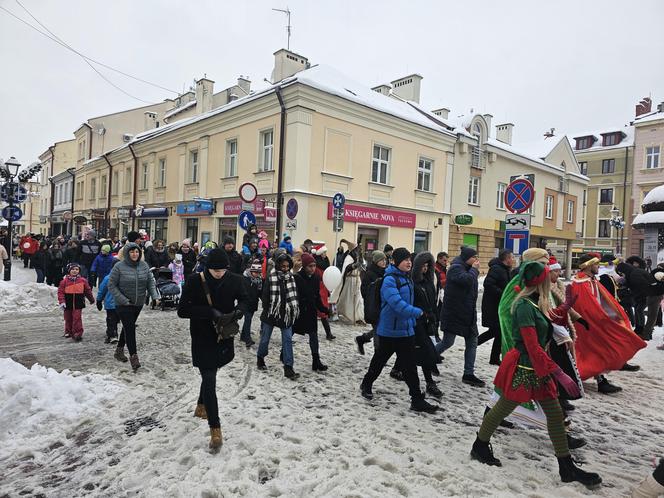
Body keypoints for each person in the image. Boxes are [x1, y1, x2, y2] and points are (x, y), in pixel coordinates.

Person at [470, 261, 603, 489]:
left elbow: (548, 319)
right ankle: (480, 446)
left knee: (554, 413)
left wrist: (567, 306)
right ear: (539, 281)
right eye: (547, 275)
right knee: (503, 408)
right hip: (525, 367)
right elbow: (533, 347)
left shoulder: (534, 302)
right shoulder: (523, 306)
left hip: (538, 367)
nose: (553, 278)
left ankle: (566, 466)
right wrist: (559, 372)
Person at [178, 248, 248, 450]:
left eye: (222, 270)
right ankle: (215, 428)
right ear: (208, 267)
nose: (218, 273)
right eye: (215, 270)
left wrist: (237, 312)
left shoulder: (234, 279)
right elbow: (182, 310)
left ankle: (201, 406)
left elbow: (245, 298)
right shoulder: (194, 280)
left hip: (223, 335)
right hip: (201, 335)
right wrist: (209, 312)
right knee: (209, 377)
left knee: (212, 372)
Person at [360, 247, 439, 413]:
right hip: (389, 332)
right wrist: (418, 313)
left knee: (410, 367)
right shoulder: (389, 280)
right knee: (379, 362)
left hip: (406, 331)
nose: (409, 262)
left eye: (410, 259)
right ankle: (366, 384)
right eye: (405, 259)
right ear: (395, 262)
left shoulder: (408, 279)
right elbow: (397, 305)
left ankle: (416, 399)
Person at [569, 254, 646, 393]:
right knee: (594, 352)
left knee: (598, 351)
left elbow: (601, 300)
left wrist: (613, 314)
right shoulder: (581, 283)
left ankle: (598, 379)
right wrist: (599, 320)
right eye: (596, 264)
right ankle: (596, 380)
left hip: (596, 322)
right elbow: (585, 307)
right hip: (588, 324)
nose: (599, 266)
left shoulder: (591, 280)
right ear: (588, 265)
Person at [108, 243, 160, 371]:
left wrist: (155, 296)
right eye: (132, 252)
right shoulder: (119, 267)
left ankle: (119, 351)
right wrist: (123, 300)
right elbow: (111, 285)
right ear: (126, 253)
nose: (134, 254)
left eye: (137, 252)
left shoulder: (144, 266)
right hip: (123, 304)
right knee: (130, 328)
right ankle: (134, 357)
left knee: (127, 326)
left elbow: (150, 282)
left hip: (138, 303)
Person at [437, 246, 484, 387]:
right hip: (454, 313)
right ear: (467, 257)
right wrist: (475, 270)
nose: (476, 260)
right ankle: (425, 357)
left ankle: (468, 373)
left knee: (472, 342)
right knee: (447, 342)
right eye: (474, 257)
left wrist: (473, 271)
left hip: (468, 313)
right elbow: (466, 281)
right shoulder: (456, 268)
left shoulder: (467, 268)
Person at [257, 252, 301, 379]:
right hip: (271, 313)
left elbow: (295, 295)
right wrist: (269, 310)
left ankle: (288, 367)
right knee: (265, 339)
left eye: (287, 266)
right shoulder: (271, 278)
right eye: (283, 266)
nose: (285, 268)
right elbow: (265, 296)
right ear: (278, 265)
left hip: (286, 314)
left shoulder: (291, 278)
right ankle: (260, 357)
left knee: (287, 340)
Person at [412, 252, 443, 397]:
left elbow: (432, 302)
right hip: (415, 323)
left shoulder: (428, 283)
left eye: (427, 266)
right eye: (422, 266)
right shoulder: (412, 283)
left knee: (421, 354)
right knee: (425, 352)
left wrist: (435, 317)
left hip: (426, 322)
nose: (425, 269)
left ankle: (428, 383)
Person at [293, 253, 329, 372]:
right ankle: (284, 353)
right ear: (304, 266)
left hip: (311, 311)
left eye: (314, 266)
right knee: (291, 332)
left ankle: (316, 360)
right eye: (310, 266)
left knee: (314, 337)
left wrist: (323, 308)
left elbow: (317, 296)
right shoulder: (297, 277)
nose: (313, 268)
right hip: (300, 311)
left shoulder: (316, 277)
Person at [479, 249, 514, 366]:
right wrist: (504, 293)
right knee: (497, 331)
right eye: (511, 257)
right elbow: (488, 284)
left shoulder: (506, 270)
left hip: (500, 305)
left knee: (496, 332)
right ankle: (475, 345)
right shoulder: (497, 269)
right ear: (506, 259)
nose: (513, 260)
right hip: (493, 306)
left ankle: (492, 357)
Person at [356, 250, 387, 354]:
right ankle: (377, 355)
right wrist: (374, 288)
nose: (384, 262)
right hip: (373, 306)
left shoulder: (386, 272)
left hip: (384, 305)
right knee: (378, 330)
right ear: (376, 261)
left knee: (379, 329)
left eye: (384, 260)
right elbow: (364, 290)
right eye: (381, 260)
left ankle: (362, 339)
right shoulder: (369, 273)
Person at [619, 256, 657, 338]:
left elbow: (642, 287)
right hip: (645, 295)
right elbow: (632, 285)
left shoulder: (635, 274)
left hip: (649, 295)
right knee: (638, 310)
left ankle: (642, 330)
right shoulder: (633, 273)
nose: (622, 275)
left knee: (640, 310)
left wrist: (639, 298)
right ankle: (639, 328)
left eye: (622, 273)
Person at [57, 263, 95, 341]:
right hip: (67, 302)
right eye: (73, 269)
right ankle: (68, 331)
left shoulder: (83, 281)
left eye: (76, 269)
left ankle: (78, 332)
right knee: (68, 318)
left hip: (78, 303)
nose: (75, 271)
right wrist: (62, 301)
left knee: (77, 318)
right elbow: (60, 292)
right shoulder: (64, 281)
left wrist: (91, 299)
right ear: (69, 271)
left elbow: (88, 291)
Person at [97, 260, 122, 344]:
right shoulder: (108, 278)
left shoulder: (125, 277)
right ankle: (112, 335)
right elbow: (102, 289)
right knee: (111, 320)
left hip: (121, 303)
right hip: (110, 303)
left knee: (117, 319)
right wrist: (99, 300)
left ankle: (111, 334)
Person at [312, 246, 335, 341]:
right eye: (324, 252)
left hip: (324, 289)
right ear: (320, 253)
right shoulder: (316, 265)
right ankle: (327, 333)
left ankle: (328, 333)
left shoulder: (325, 263)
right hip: (318, 289)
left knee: (322, 312)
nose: (325, 254)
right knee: (321, 312)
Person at [241, 261, 263, 347]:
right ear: (251, 271)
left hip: (253, 303)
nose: (257, 274)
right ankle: (247, 339)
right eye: (255, 272)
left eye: (258, 272)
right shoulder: (245, 279)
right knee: (248, 320)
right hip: (246, 303)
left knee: (248, 320)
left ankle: (243, 335)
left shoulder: (259, 280)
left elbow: (259, 292)